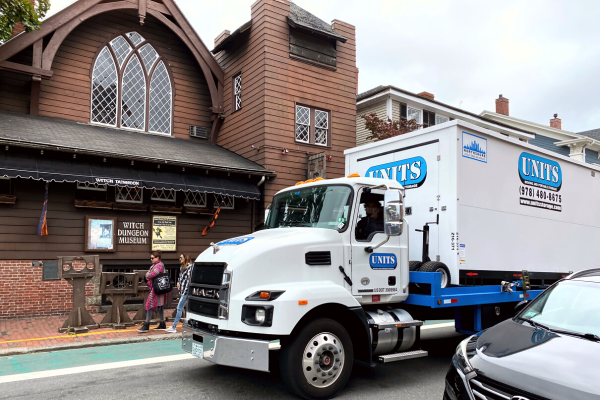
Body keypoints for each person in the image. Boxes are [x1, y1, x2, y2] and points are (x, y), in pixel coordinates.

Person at [138, 251, 168, 332]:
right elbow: (150, 274)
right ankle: (162, 323)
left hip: (157, 288)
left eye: (152, 258)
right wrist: (148, 274)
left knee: (150, 305)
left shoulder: (159, 265)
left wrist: (147, 275)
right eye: (150, 258)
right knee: (160, 306)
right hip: (158, 288)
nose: (151, 259)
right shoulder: (154, 265)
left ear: (157, 258)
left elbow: (152, 274)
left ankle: (146, 324)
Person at [166, 254, 192, 333]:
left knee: (179, 307)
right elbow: (180, 277)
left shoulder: (190, 267)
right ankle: (188, 324)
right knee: (185, 308)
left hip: (186, 291)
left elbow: (188, 281)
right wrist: (178, 282)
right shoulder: (182, 267)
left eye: (181, 258)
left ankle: (174, 327)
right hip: (183, 290)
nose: (179, 259)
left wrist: (184, 292)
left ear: (185, 258)